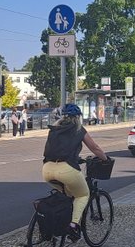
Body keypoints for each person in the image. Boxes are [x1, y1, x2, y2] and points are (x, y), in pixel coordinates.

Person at [41, 103, 109, 240]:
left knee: (66, 196)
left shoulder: (53, 129)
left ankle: (57, 223)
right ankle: (73, 226)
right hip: (66, 170)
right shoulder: (79, 129)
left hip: (47, 169)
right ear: (78, 117)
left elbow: (54, 149)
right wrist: (105, 158)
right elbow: (95, 148)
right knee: (83, 195)